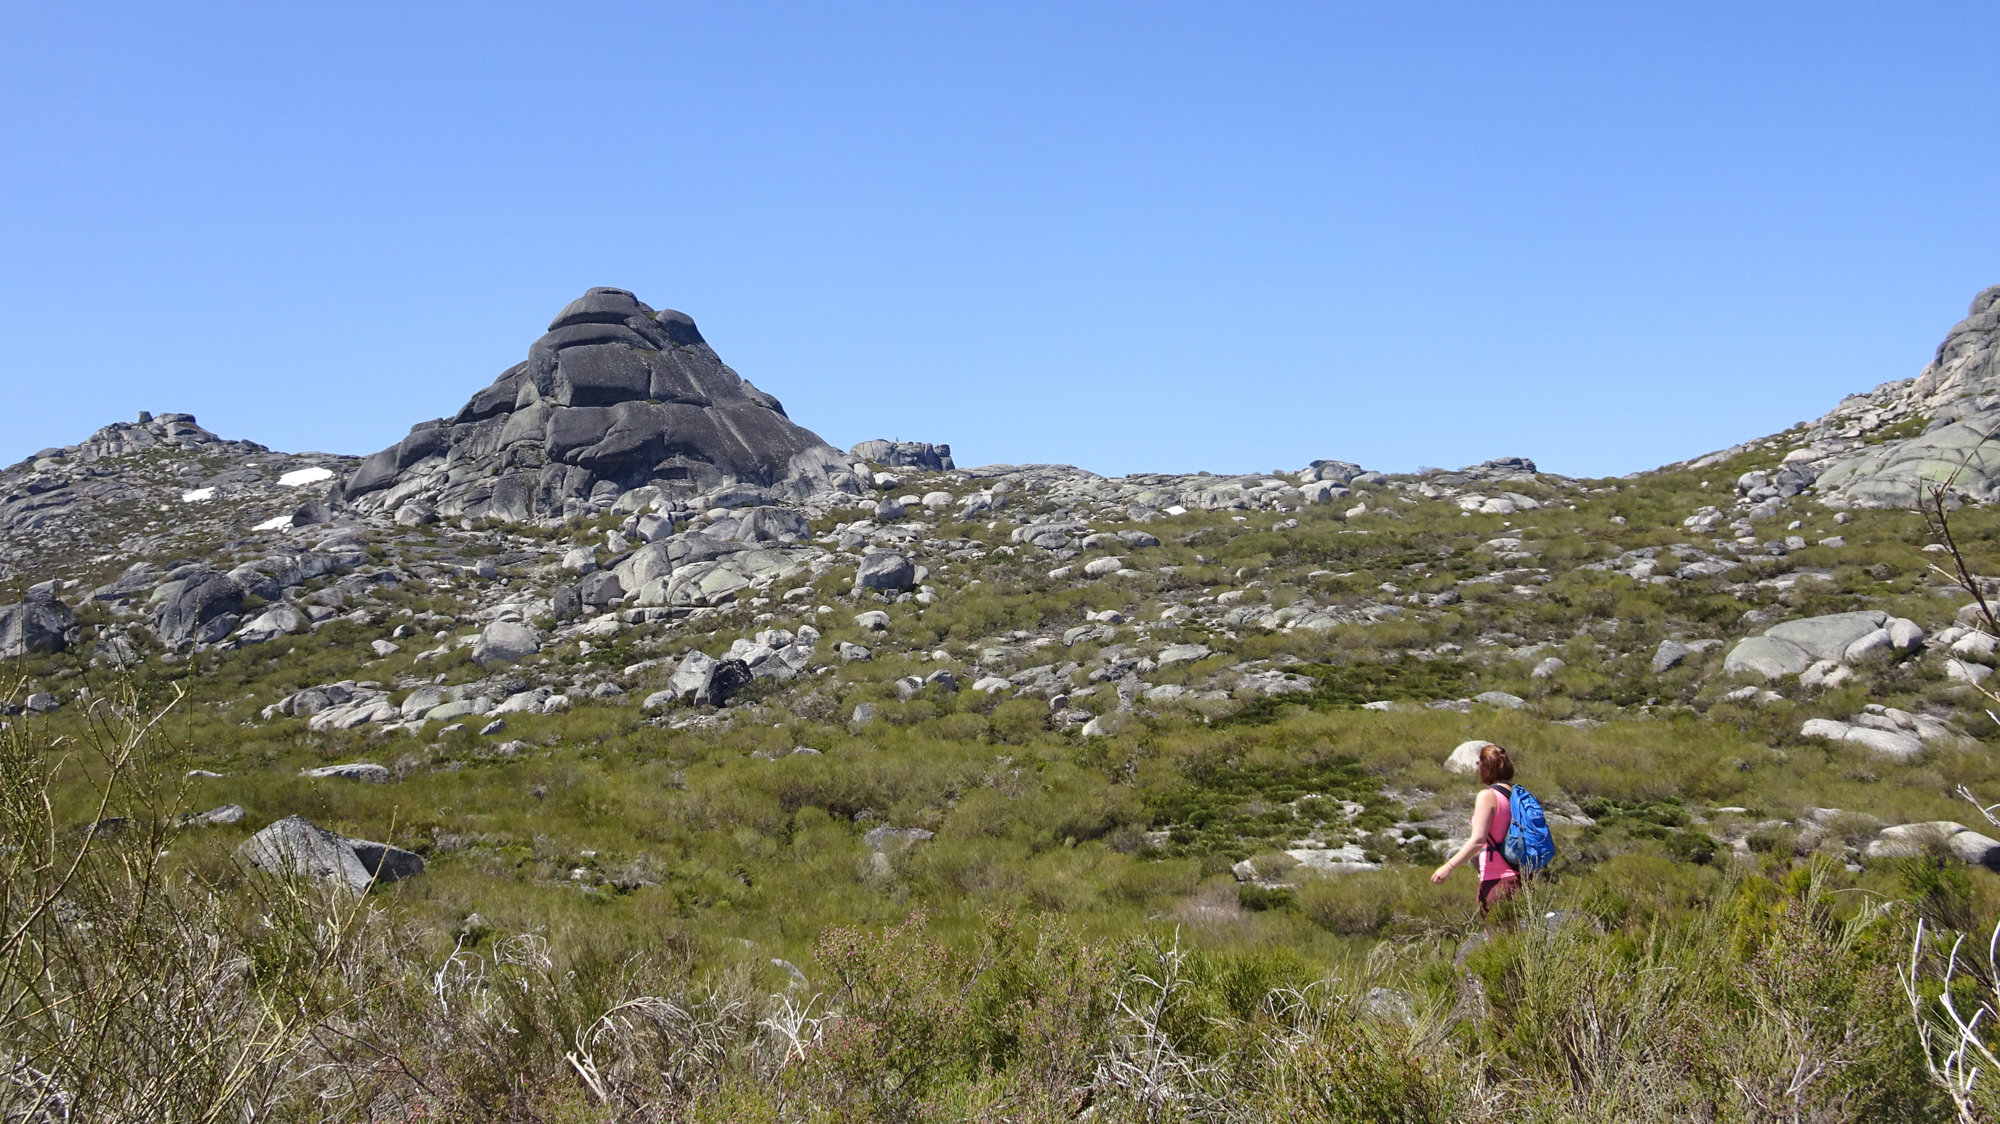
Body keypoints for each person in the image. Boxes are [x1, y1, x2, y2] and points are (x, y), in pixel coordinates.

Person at [1429, 742, 1519, 915]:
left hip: (1497, 879)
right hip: (1522, 877)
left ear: (1486, 767)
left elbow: (1478, 839)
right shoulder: (1517, 794)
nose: (1477, 767)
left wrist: (1448, 867)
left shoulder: (1488, 796)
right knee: (1517, 939)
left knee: (1498, 939)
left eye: (1479, 763)